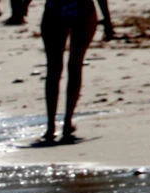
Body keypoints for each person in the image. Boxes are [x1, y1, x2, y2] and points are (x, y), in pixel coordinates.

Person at [39, 0, 114, 143]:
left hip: (54, 10)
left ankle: (50, 126)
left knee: (53, 70)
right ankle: (67, 121)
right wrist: (107, 19)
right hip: (82, 9)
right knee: (75, 65)